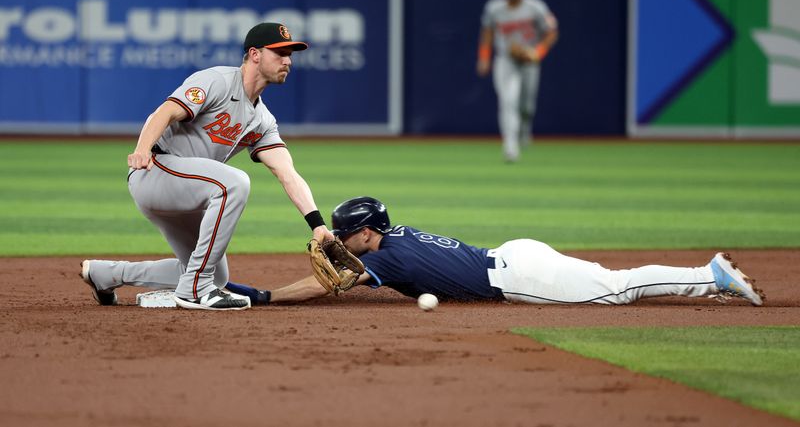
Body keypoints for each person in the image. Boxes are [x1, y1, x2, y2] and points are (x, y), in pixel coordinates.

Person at [79, 22, 335, 311]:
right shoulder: (218, 81)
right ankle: (194, 291)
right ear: (254, 54)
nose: (287, 60)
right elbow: (166, 111)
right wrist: (141, 150)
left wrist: (318, 224)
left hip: (188, 191)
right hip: (156, 170)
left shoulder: (262, 120)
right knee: (234, 183)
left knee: (217, 274)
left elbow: (287, 173)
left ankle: (107, 274)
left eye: (290, 54)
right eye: (279, 53)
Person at [225, 196, 766, 307]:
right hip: (516, 252)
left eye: (345, 236)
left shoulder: (385, 260)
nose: (339, 245)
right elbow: (345, 268)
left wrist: (267, 296)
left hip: (517, 276)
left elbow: (322, 285)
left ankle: (709, 274)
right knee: (607, 276)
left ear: (368, 234)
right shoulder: (398, 235)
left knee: (615, 290)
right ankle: (706, 275)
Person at [477, 0, 559, 163]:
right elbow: (487, 32)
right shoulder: (494, 7)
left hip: (529, 59)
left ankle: (524, 130)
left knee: (527, 106)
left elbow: (552, 32)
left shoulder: (536, 6)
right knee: (507, 101)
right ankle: (510, 146)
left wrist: (537, 52)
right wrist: (484, 58)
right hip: (506, 59)